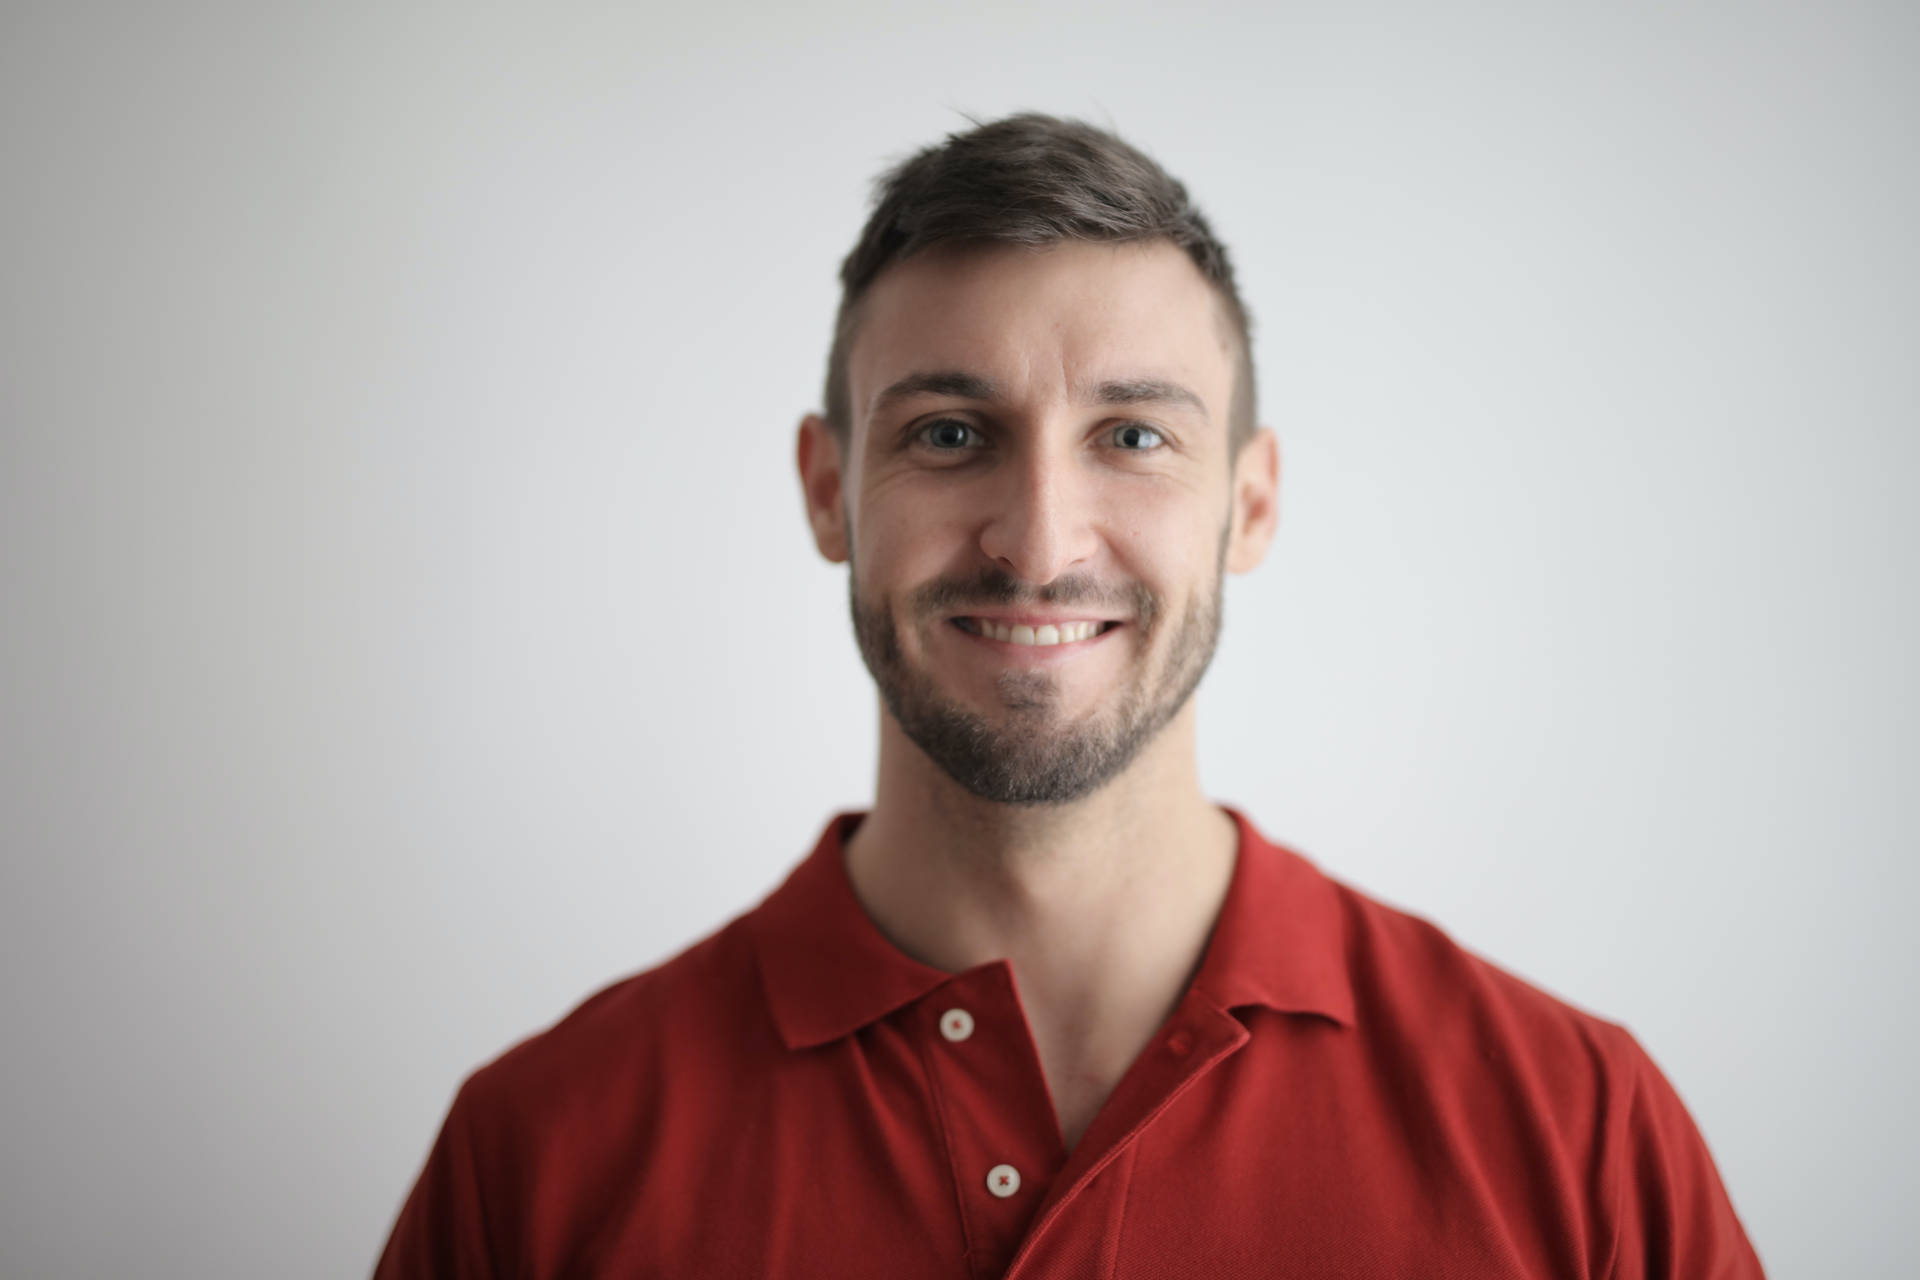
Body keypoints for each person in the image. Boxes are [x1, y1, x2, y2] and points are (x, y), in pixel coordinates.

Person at [373, 112, 1763, 1278]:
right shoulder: (541, 1161)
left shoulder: (1580, 1137)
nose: (1039, 545)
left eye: (1134, 435)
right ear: (825, 491)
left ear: (1252, 502)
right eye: (951, 434)